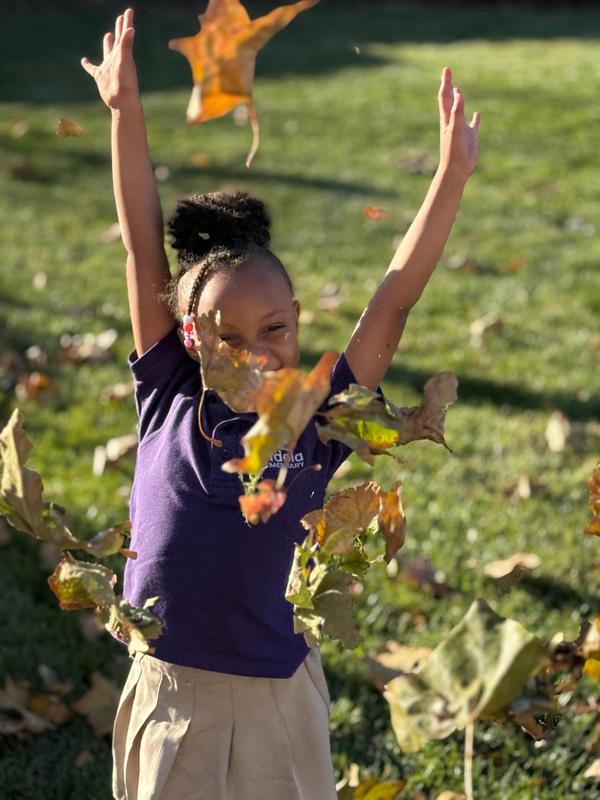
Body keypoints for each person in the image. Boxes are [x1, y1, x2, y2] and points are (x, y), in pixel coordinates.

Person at [81, 8, 479, 800]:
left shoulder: (322, 415)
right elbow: (141, 239)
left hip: (276, 695)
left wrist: (450, 177)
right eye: (229, 335)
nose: (258, 351)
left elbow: (394, 300)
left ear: (298, 323)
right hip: (172, 693)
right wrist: (126, 112)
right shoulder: (166, 391)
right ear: (190, 337)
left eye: (276, 328)